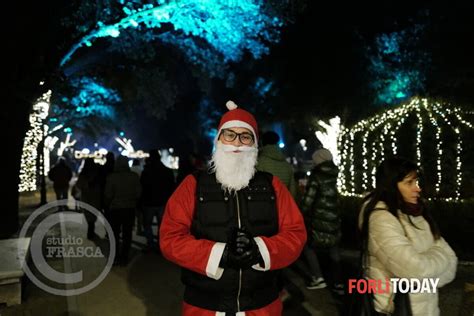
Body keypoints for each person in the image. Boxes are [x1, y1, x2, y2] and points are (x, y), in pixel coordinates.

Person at [160, 101, 307, 315]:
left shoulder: (272, 185)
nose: (237, 143)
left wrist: (260, 250)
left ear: (255, 145)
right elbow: (170, 238)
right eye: (230, 135)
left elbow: (295, 234)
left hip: (262, 305)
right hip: (205, 307)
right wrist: (219, 254)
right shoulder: (193, 184)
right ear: (218, 139)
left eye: (245, 136)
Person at [358, 157, 457, 315]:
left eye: (416, 182)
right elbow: (415, 269)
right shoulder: (380, 218)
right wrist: (438, 255)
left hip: (426, 308)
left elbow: (452, 262)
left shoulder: (415, 212)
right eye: (409, 183)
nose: (417, 188)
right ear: (391, 185)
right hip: (397, 309)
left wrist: (426, 278)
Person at [299, 148, 344, 294]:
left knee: (308, 246)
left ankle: (318, 278)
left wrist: (301, 212)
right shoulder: (335, 174)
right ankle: (338, 283)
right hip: (334, 217)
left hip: (319, 219)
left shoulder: (316, 176)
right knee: (334, 247)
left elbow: (308, 200)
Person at [105, 156, 141, 266]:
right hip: (129, 208)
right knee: (127, 234)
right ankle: (124, 257)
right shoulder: (134, 177)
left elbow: (108, 194)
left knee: (114, 233)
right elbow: (139, 193)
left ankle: (115, 256)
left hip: (115, 209)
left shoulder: (112, 177)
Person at [140, 149, 175, 253]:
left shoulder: (146, 171)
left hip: (149, 202)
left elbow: (142, 187)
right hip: (163, 202)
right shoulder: (167, 171)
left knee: (147, 224)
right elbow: (171, 187)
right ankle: (161, 245)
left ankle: (150, 244)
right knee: (162, 225)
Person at [256, 131, 297, 197]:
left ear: (262, 142)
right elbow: (293, 190)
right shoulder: (286, 164)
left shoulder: (259, 162)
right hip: (284, 203)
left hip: (267, 204)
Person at [74, 158, 101, 239]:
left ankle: (90, 230)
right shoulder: (97, 172)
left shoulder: (83, 173)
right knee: (93, 213)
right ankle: (91, 230)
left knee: (88, 213)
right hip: (96, 195)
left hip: (86, 196)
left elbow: (78, 185)